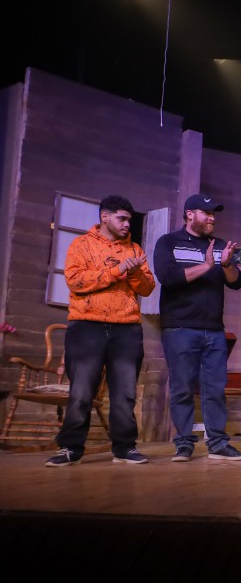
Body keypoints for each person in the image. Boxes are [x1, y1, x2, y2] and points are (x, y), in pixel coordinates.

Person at [45, 195, 156, 467]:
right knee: (82, 391)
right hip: (87, 326)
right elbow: (75, 281)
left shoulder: (134, 250)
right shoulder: (81, 244)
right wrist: (117, 271)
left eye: (129, 220)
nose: (127, 224)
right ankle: (71, 448)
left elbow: (147, 288)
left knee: (125, 393)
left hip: (126, 328)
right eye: (122, 218)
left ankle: (125, 448)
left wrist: (133, 273)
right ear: (104, 217)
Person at [152, 193, 241, 462]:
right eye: (207, 213)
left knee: (215, 389)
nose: (212, 218)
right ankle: (184, 443)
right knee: (182, 388)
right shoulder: (169, 242)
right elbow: (167, 277)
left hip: (214, 329)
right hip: (179, 327)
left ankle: (218, 443)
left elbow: (235, 283)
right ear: (190, 214)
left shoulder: (220, 245)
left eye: (214, 214)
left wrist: (225, 263)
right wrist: (206, 266)